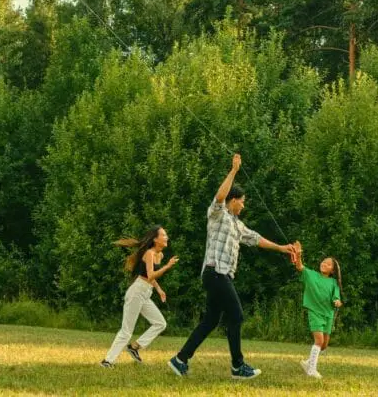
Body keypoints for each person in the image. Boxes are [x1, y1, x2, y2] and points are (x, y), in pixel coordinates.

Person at [168, 153, 297, 380]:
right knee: (236, 316)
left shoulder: (238, 225)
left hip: (221, 275)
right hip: (215, 273)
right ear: (233, 199)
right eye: (242, 200)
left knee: (210, 321)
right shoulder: (218, 215)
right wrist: (234, 171)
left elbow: (256, 238)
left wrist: (282, 248)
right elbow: (219, 196)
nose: (244, 205)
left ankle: (180, 360)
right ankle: (238, 367)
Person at [100, 225, 179, 368]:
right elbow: (150, 275)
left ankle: (134, 347)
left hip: (145, 293)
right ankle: (107, 361)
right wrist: (167, 266)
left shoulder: (159, 255)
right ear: (156, 239)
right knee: (126, 331)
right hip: (136, 292)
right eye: (164, 235)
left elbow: (150, 277)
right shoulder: (149, 253)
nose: (166, 237)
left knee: (160, 323)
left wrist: (159, 289)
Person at [291, 242, 342, 379]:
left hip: (328, 314)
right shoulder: (311, 274)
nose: (324, 264)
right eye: (323, 262)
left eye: (328, 264)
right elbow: (300, 266)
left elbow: (336, 296)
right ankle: (311, 370)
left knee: (324, 345)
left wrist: (337, 301)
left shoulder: (333, 283)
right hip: (315, 312)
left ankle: (308, 363)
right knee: (318, 341)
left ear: (333, 271)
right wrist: (299, 254)